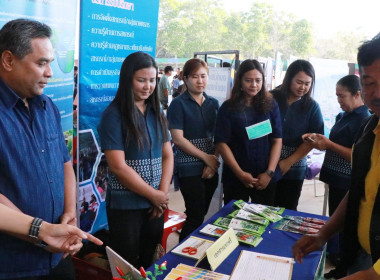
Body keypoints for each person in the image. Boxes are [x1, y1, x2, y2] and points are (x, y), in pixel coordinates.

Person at [292, 33, 380, 279]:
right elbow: (359, 190)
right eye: (369, 82)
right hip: (360, 253)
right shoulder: (369, 128)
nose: (376, 93)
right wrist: (323, 234)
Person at [0, 18, 83, 279]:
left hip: (58, 258)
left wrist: (69, 214)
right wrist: (39, 230)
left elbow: (64, 163)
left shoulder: (47, 107)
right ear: (8, 60)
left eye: (50, 62)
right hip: (14, 265)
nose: (50, 73)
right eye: (41, 63)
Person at [97, 52, 173, 269]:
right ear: (127, 79)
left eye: (152, 80)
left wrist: (163, 194)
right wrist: (155, 195)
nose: (147, 86)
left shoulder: (156, 111)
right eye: (141, 80)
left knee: (151, 260)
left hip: (156, 202)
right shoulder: (114, 115)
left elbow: (167, 155)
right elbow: (117, 166)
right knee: (127, 264)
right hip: (126, 206)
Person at [303, 75, 370, 278]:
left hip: (347, 179)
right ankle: (335, 254)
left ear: (358, 94)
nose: (339, 101)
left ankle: (341, 259)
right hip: (334, 176)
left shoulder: (365, 119)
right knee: (335, 217)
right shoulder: (344, 116)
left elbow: (356, 156)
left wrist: (329, 145)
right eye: (337, 97)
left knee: (346, 221)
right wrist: (318, 141)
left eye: (342, 97)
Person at [214, 59, 282, 206]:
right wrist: (240, 174)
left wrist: (269, 173)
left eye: (258, 80)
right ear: (240, 81)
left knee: (264, 221)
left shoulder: (271, 104)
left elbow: (277, 140)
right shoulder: (228, 108)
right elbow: (221, 143)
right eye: (248, 80)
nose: (254, 85)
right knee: (233, 220)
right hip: (236, 177)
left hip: (265, 176)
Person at [167, 58, 220, 242]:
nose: (200, 81)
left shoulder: (213, 103)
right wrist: (206, 158)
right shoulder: (178, 104)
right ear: (185, 78)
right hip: (188, 168)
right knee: (196, 215)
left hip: (211, 166)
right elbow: (178, 139)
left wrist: (212, 162)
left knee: (200, 213)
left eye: (203, 76)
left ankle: (191, 247)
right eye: (195, 76)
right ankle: (183, 254)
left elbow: (219, 137)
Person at [270, 59, 324, 210]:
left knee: (288, 211)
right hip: (268, 164)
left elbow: (316, 138)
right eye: (299, 82)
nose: (303, 87)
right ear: (289, 79)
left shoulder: (312, 106)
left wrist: (289, 161)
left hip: (295, 167)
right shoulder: (270, 98)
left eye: (307, 84)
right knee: (264, 208)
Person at [0, 202, 102, 258]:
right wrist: (42, 232)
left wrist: (70, 212)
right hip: (13, 256)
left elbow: (66, 165)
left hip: (57, 257)